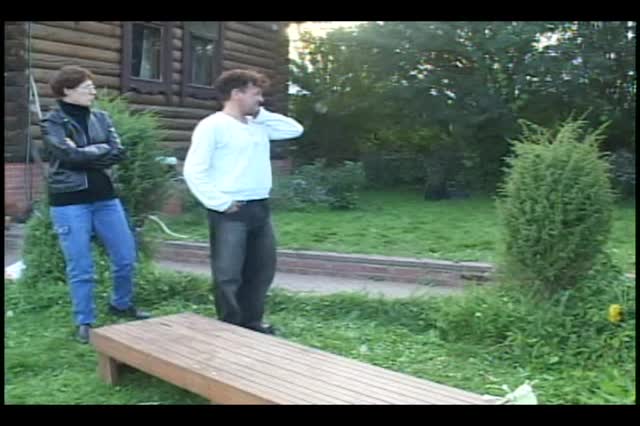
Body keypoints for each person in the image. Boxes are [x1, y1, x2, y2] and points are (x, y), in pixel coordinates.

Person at [183, 69, 303, 335]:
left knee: (261, 270)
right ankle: (230, 327)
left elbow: (295, 129)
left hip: (260, 207)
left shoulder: (258, 125)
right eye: (255, 94)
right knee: (228, 274)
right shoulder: (212, 126)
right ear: (236, 94)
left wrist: (260, 114)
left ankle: (252, 323)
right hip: (230, 210)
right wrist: (220, 203)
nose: (260, 99)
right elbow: (194, 171)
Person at [41, 65, 150, 344]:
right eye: (86, 87)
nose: (93, 91)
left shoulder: (101, 117)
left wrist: (85, 152)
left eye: (92, 86)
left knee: (125, 256)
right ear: (67, 90)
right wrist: (98, 151)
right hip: (69, 202)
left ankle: (121, 304)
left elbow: (118, 152)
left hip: (106, 199)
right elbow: (67, 155)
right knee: (81, 265)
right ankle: (85, 321)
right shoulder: (52, 122)